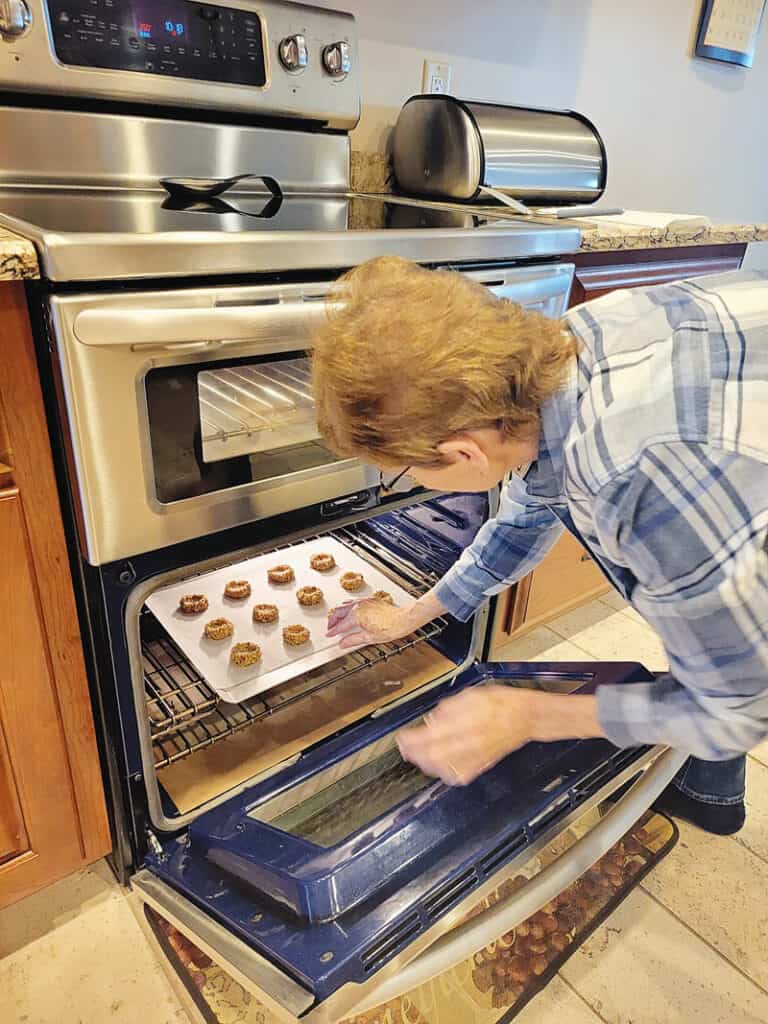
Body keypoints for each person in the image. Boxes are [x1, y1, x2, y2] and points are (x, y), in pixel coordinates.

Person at [313, 255, 768, 836]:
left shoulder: (633, 478)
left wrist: (529, 715)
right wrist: (414, 615)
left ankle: (706, 793)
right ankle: (707, 793)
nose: (400, 482)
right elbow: (527, 515)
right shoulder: (565, 350)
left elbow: (740, 707)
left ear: (464, 455)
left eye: (401, 472)